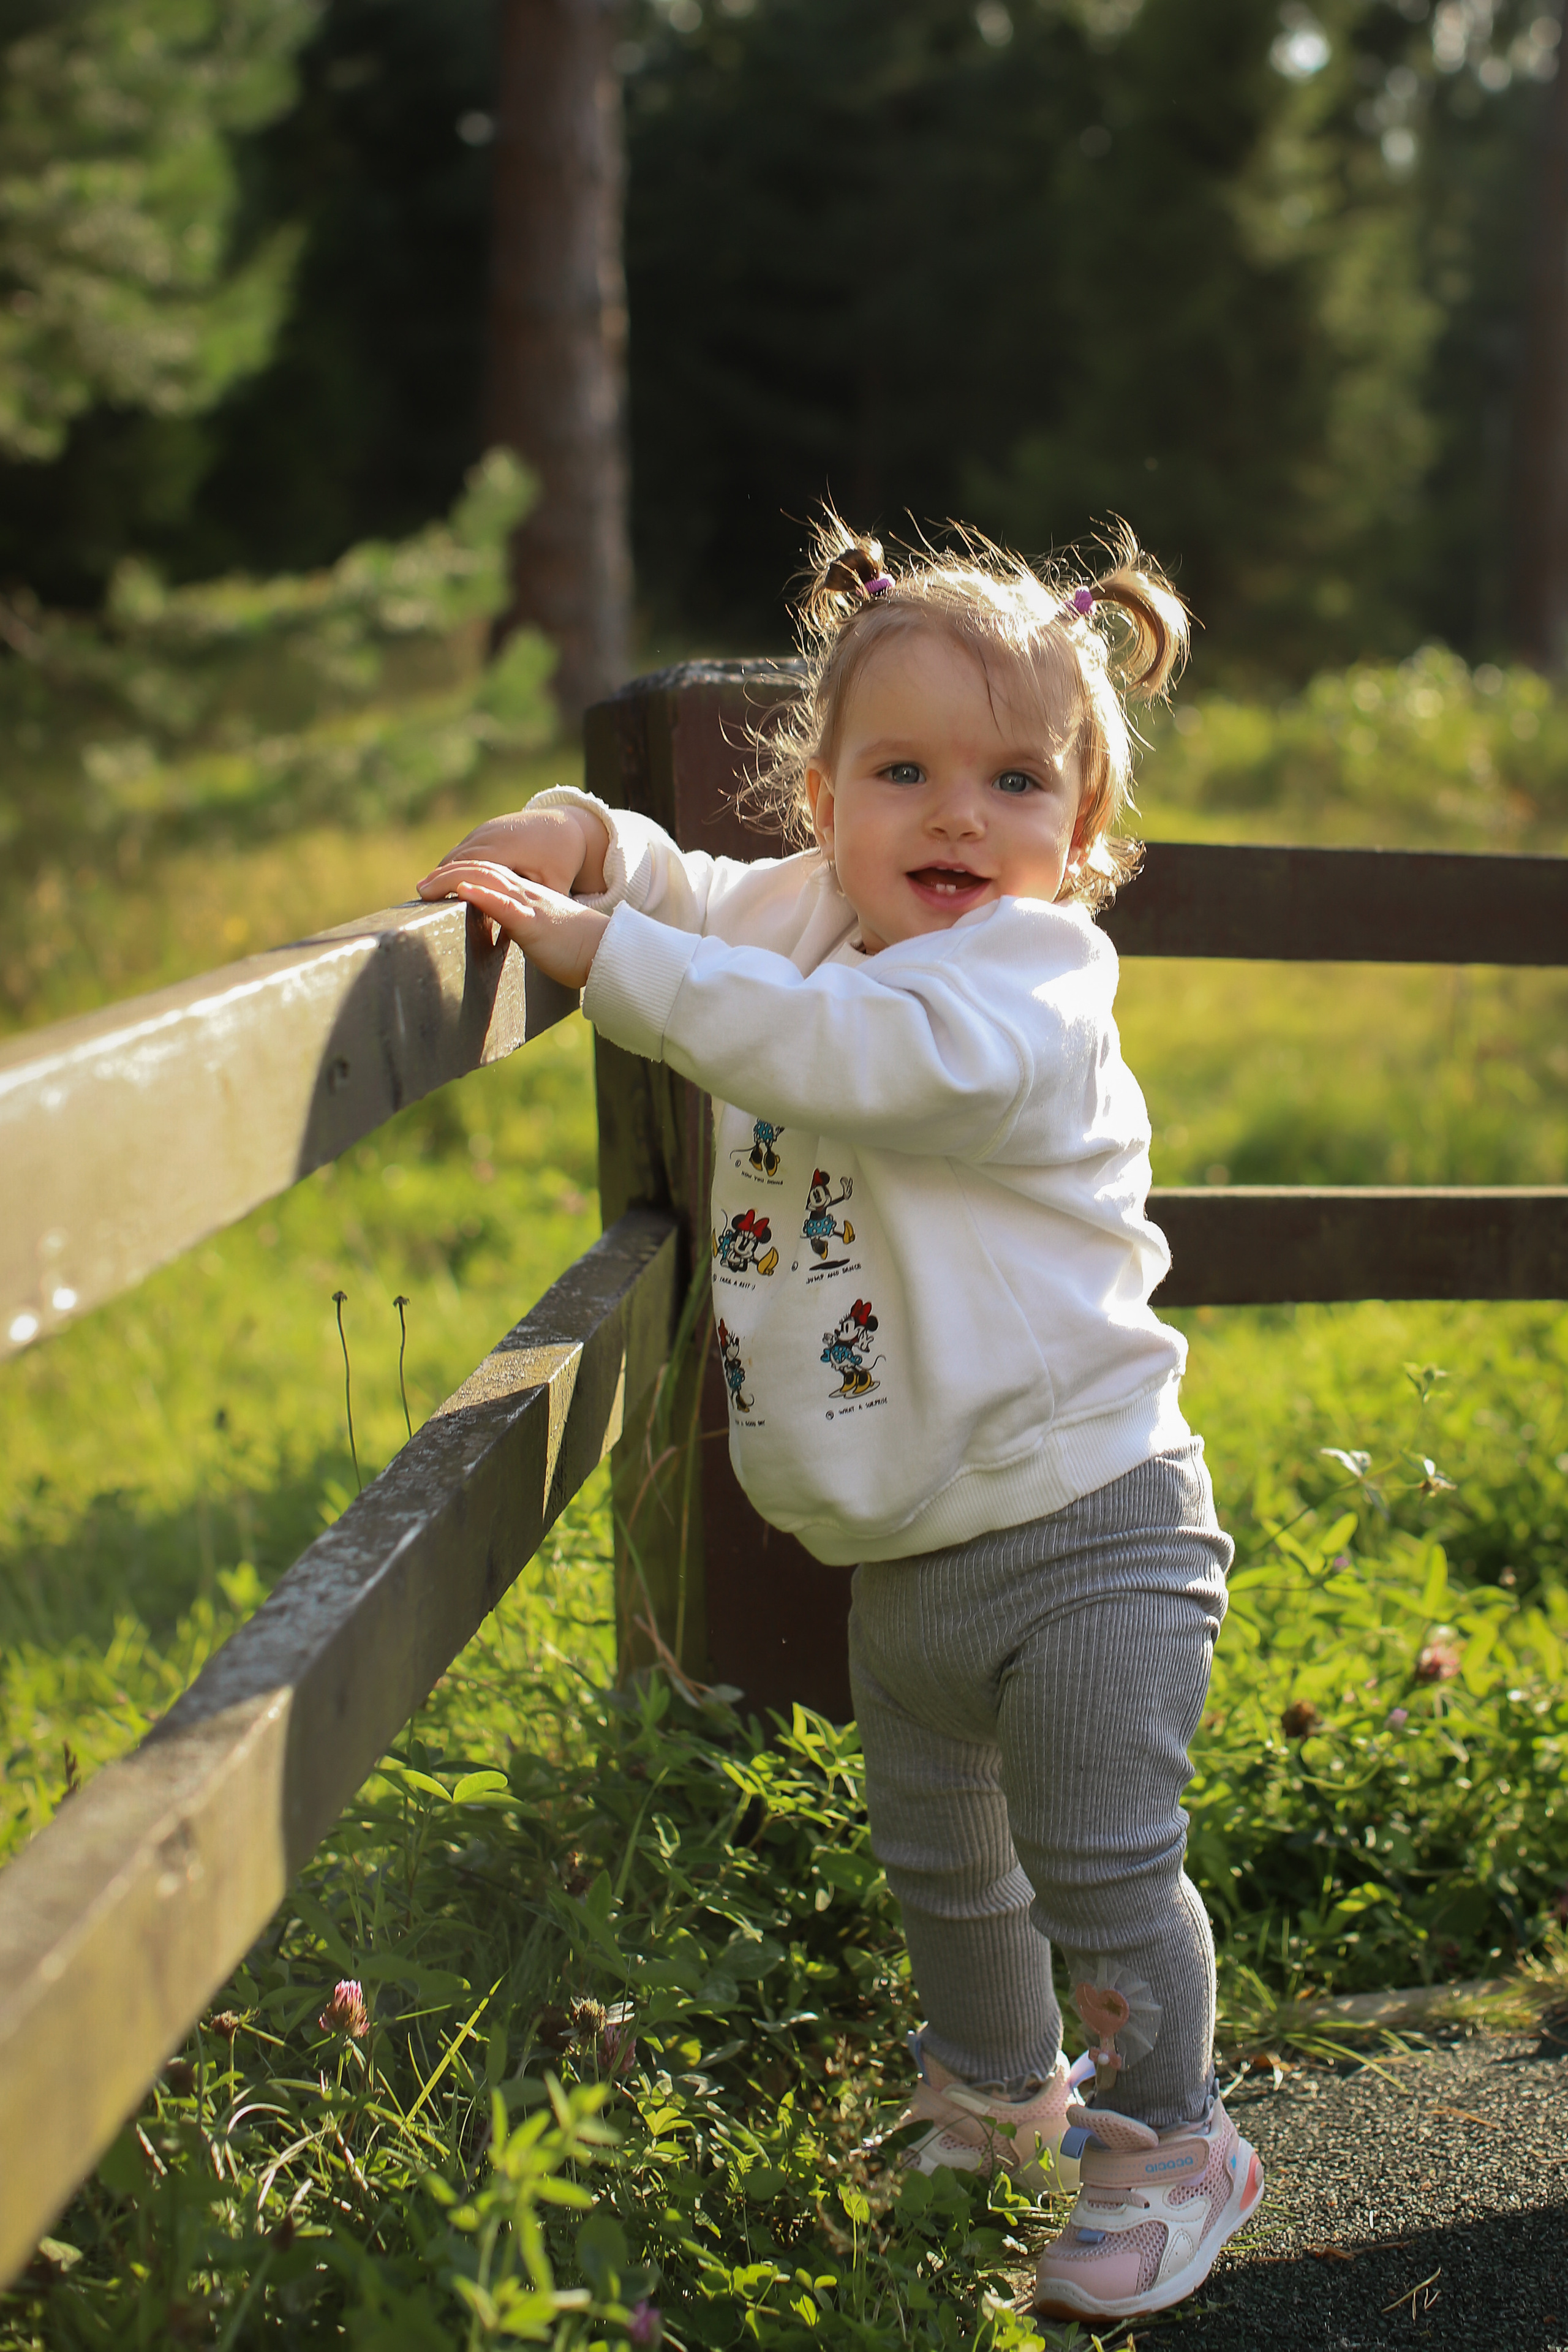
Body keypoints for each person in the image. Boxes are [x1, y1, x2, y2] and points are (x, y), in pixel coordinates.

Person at [416, 518, 1264, 2324]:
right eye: (906, 773)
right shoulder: (804, 912)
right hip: (904, 1546)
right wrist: (592, 842)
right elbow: (691, 904)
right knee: (947, 1870)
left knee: (1102, 1865)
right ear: (823, 802)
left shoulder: (1029, 986)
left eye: (1016, 780)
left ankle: (1168, 2139)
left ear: (1085, 835)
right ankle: (997, 2100)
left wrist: (599, 956)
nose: (959, 816)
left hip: (1088, 1521)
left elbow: (849, 1058)